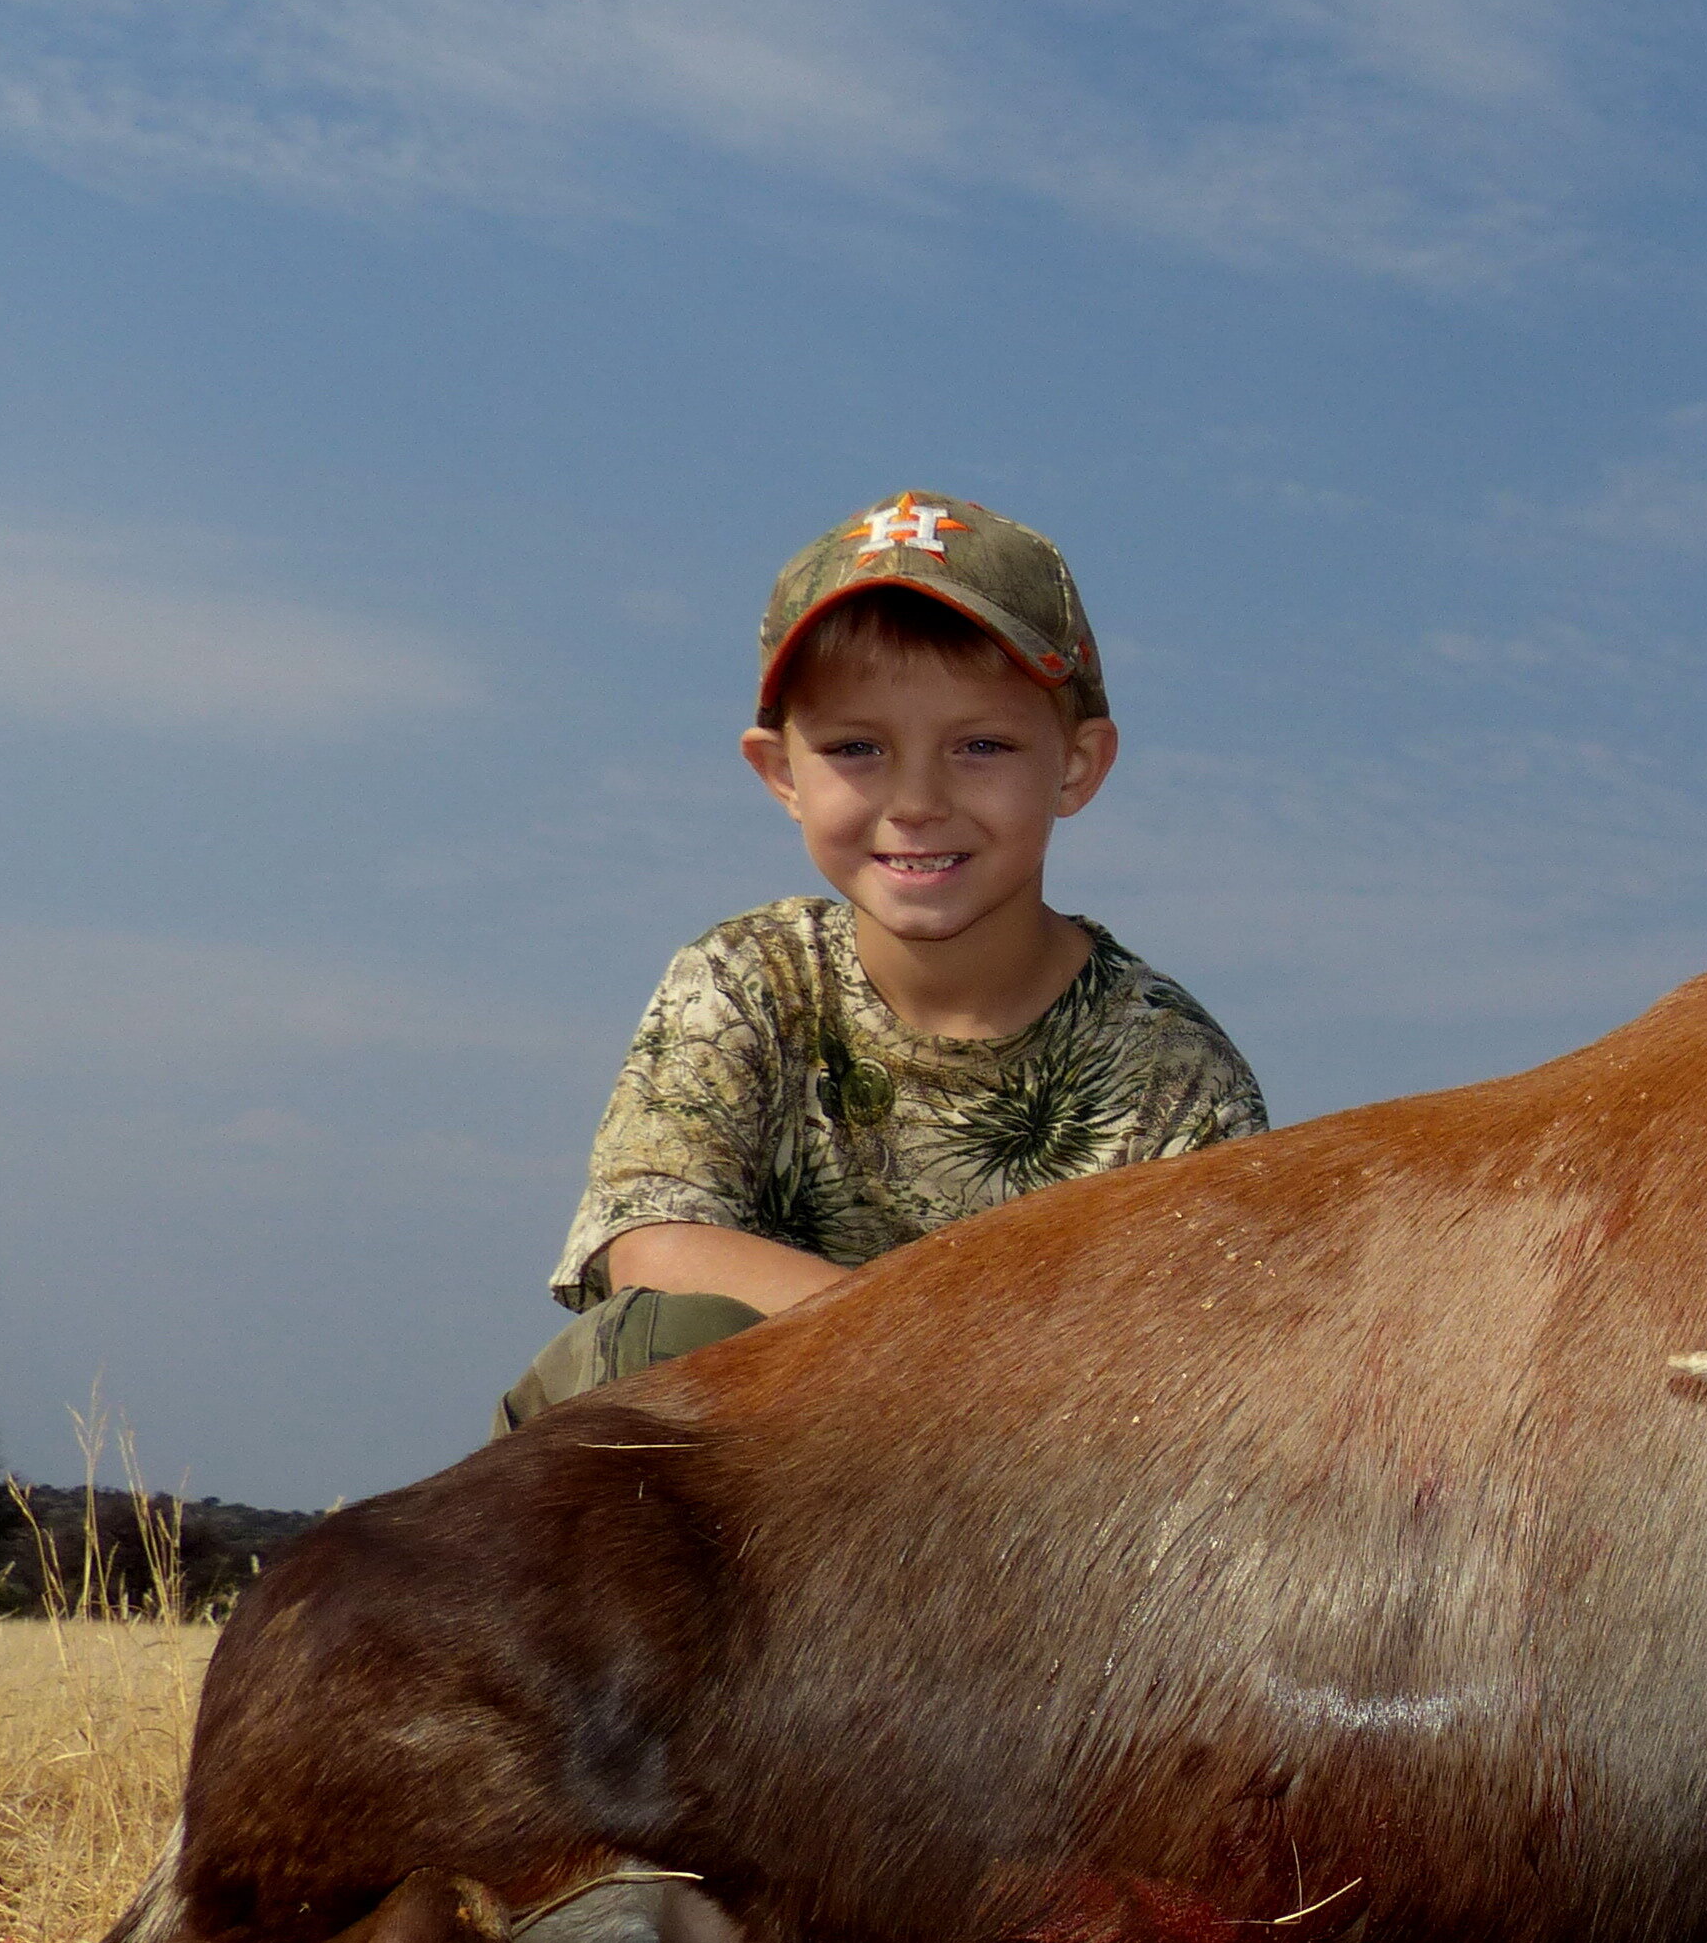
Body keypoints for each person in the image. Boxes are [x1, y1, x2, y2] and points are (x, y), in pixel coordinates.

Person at [497, 491, 1265, 1432]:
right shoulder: (752, 978)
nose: (916, 801)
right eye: (857, 748)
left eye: (980, 746)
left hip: (998, 1499)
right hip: (728, 1494)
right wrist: (928, 1345)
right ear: (781, 774)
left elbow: (1183, 1378)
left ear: (1075, 766)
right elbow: (651, 1248)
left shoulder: (1173, 1076)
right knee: (655, 1347)